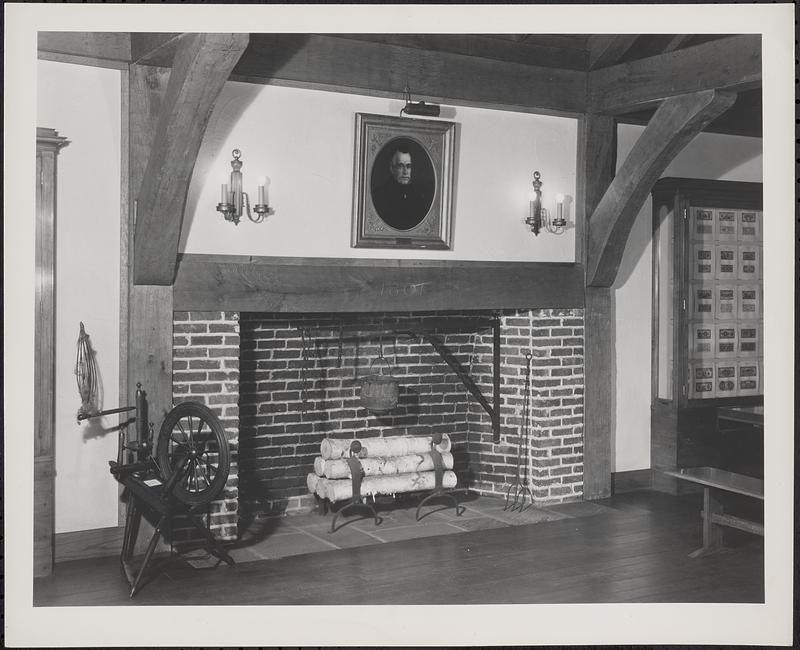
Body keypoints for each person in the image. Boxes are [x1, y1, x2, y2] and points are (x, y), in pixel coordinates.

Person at [371, 148, 433, 231]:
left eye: (408, 166)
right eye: (400, 166)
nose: (405, 172)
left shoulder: (418, 198)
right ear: (392, 168)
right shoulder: (379, 196)